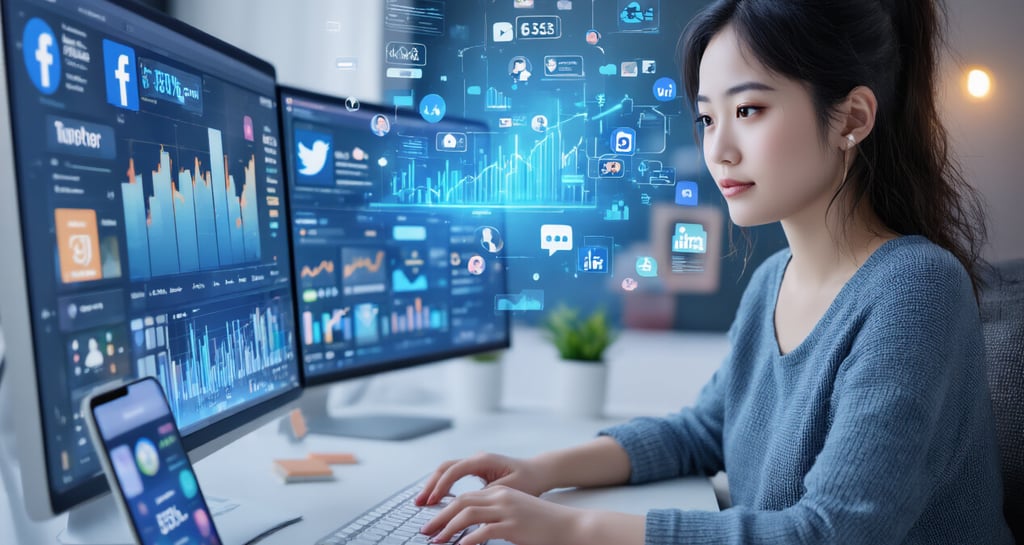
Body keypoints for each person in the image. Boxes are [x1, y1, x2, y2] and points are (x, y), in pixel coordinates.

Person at [414, 1, 1014, 544]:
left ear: (851, 118)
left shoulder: (916, 287)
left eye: (748, 109)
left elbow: (830, 534)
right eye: (706, 118)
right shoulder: (771, 282)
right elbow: (702, 431)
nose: (718, 149)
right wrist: (537, 472)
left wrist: (574, 526)